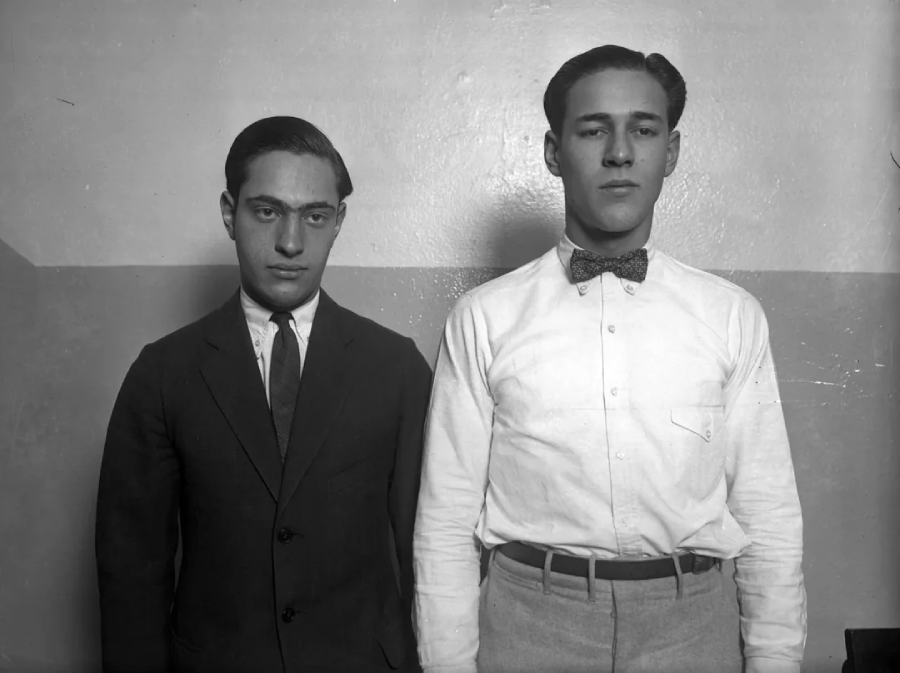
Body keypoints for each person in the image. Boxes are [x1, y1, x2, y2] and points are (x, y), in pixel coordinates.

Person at [413, 45, 806, 673]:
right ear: (552, 151)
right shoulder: (484, 319)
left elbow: (768, 511)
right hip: (528, 626)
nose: (620, 152)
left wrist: (776, 660)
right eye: (594, 129)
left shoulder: (732, 315)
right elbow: (444, 520)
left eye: (643, 130)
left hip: (694, 627)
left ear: (670, 152)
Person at [96, 116, 432, 672]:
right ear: (230, 213)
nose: (290, 242)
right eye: (267, 211)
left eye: (314, 216)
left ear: (339, 222)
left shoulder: (395, 367)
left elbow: (426, 555)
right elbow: (132, 573)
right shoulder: (162, 371)